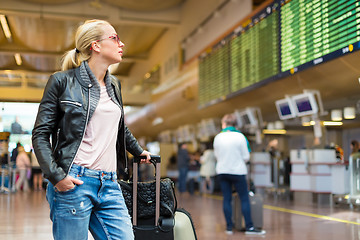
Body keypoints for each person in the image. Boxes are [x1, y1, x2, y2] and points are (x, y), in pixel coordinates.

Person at [32, 19, 151, 240]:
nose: (121, 43)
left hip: (109, 183)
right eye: (114, 38)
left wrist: (138, 150)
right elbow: (40, 134)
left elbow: (119, 126)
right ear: (95, 45)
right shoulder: (61, 82)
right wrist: (57, 176)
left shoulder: (114, 84)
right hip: (75, 181)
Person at [213, 114, 265, 235]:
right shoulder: (241, 137)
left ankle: (229, 227)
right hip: (238, 172)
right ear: (235, 124)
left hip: (222, 171)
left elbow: (217, 155)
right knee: (244, 198)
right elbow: (246, 157)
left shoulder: (218, 137)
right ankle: (249, 227)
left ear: (224, 124)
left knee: (227, 198)